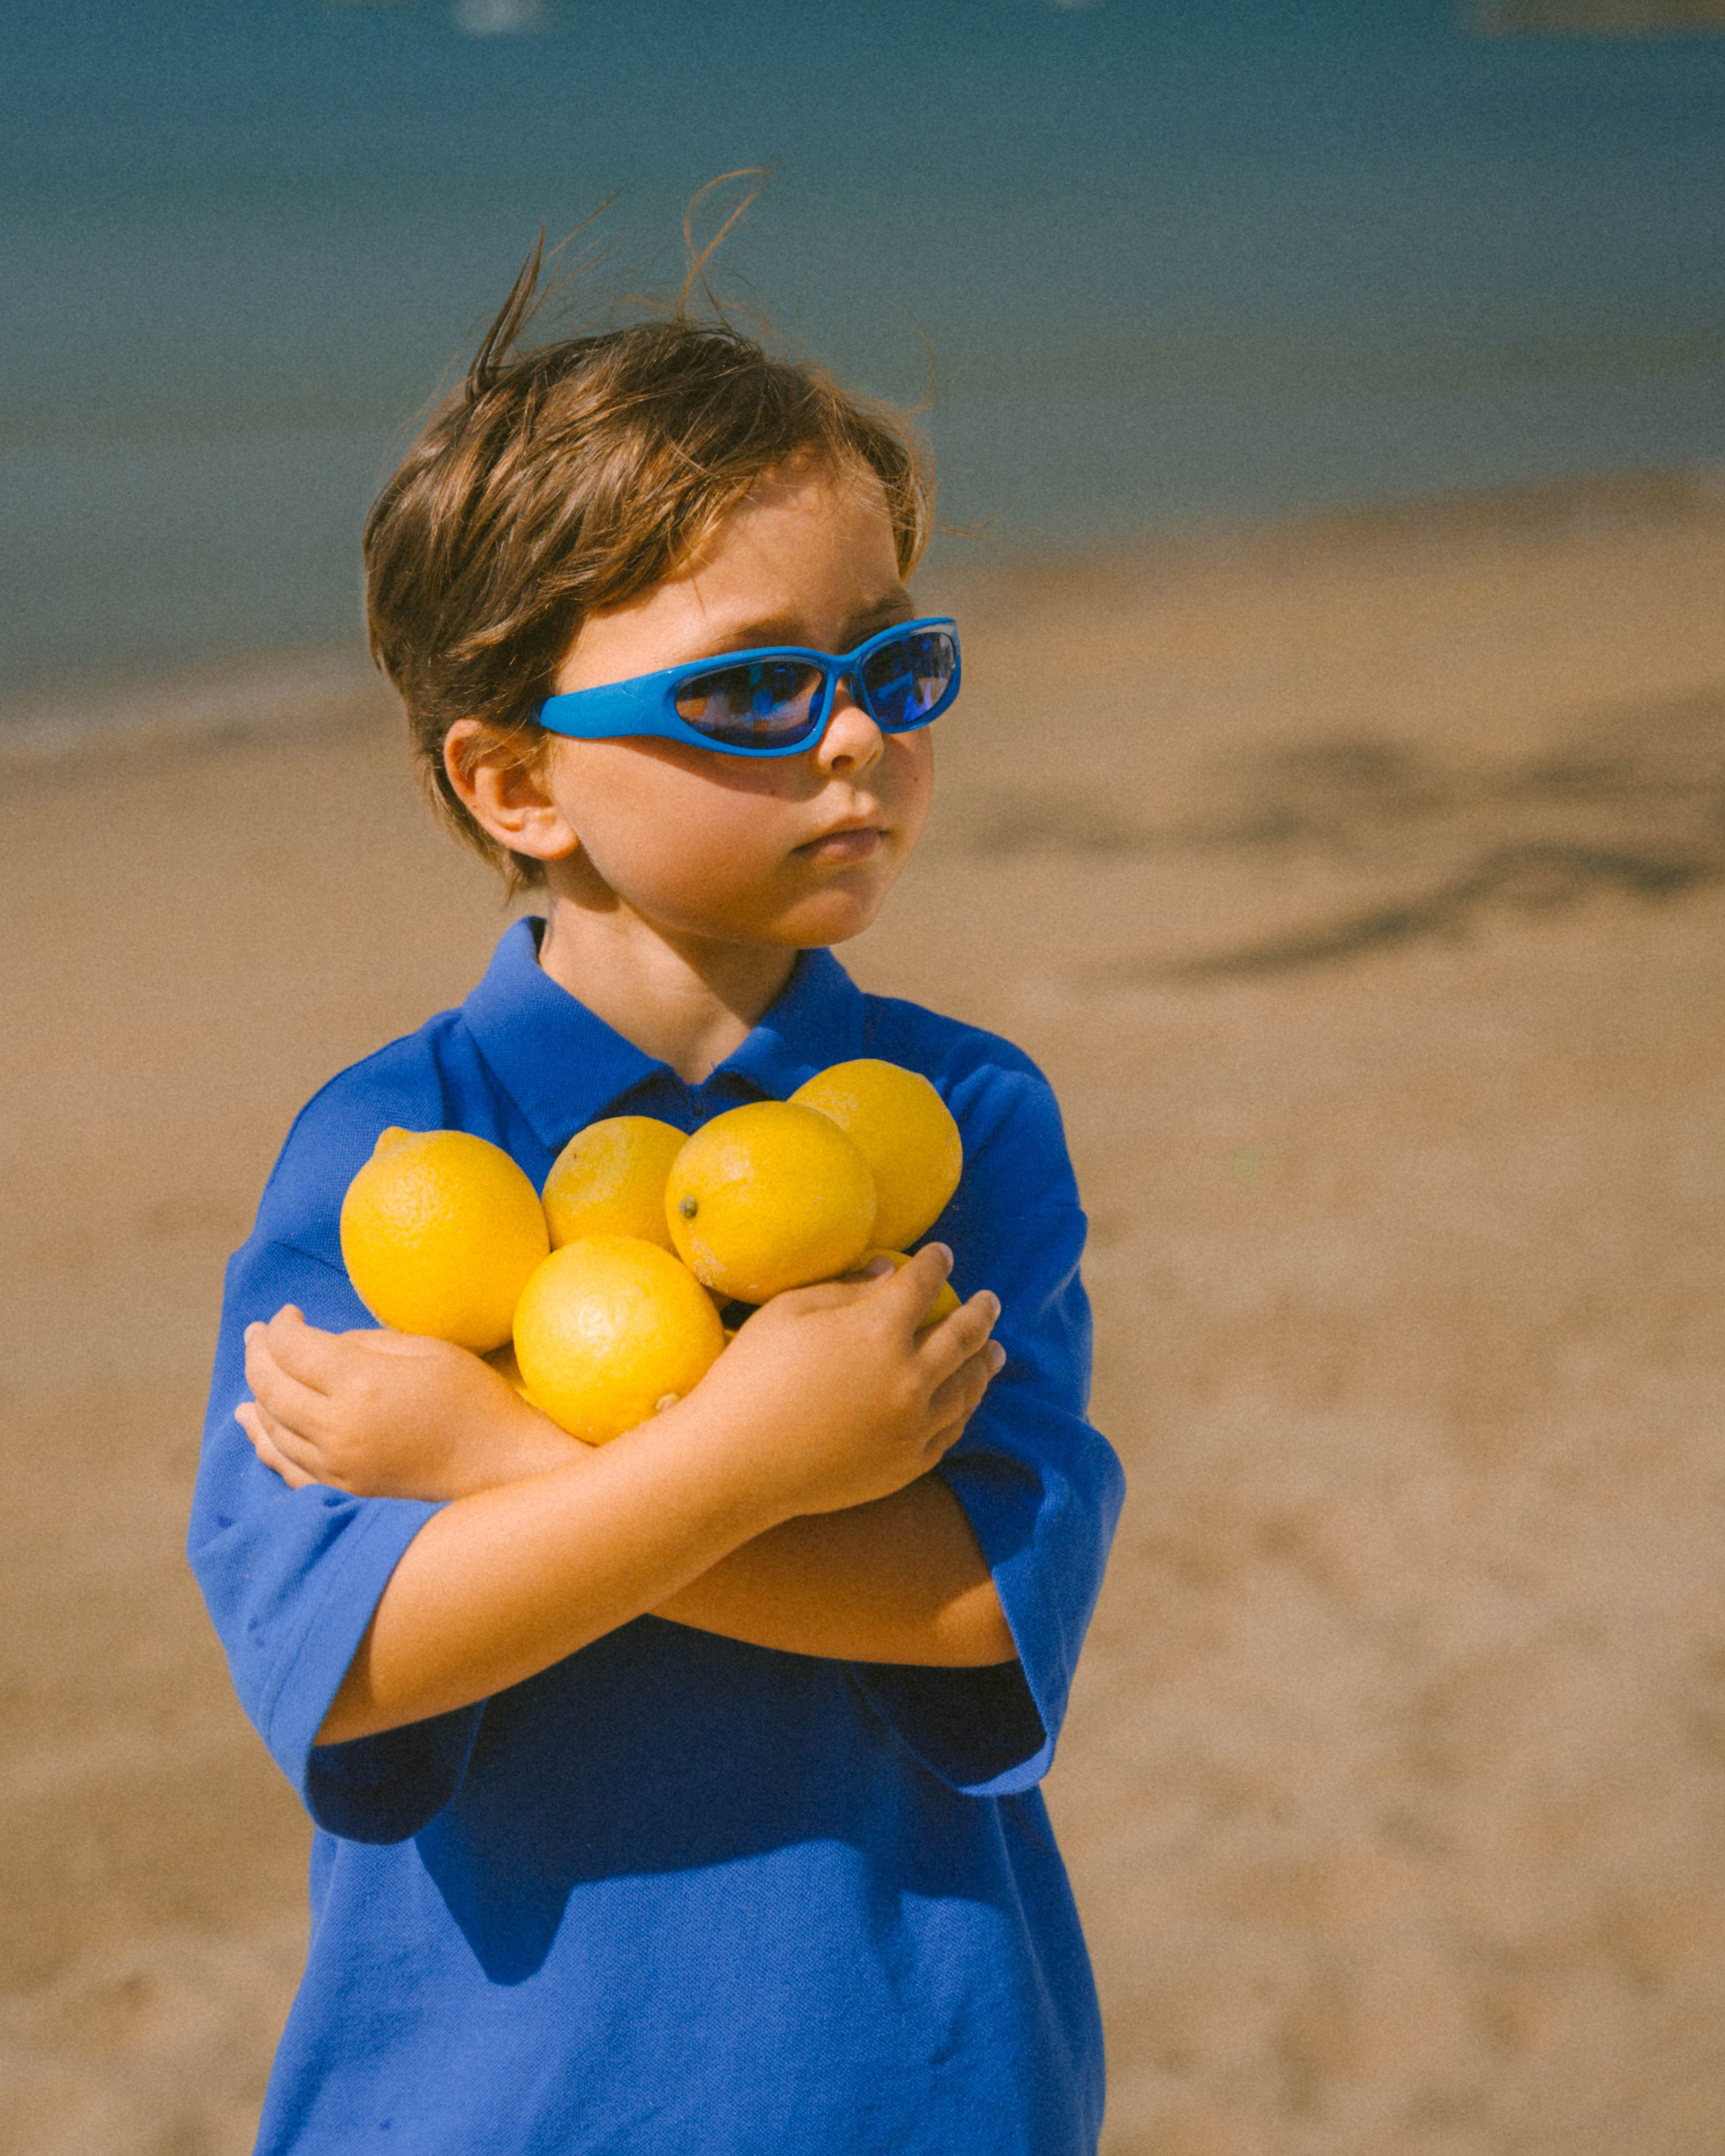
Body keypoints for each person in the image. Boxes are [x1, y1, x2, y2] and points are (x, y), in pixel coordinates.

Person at [188, 253, 1125, 2156]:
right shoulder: (388, 1155)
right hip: (487, 2104)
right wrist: (750, 1464)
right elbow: (357, 1655)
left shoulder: (958, 1123)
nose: (855, 735)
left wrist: (499, 1453)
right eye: (764, 687)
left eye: (891, 664)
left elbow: (973, 1604)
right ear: (520, 776)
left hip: (911, 2082)